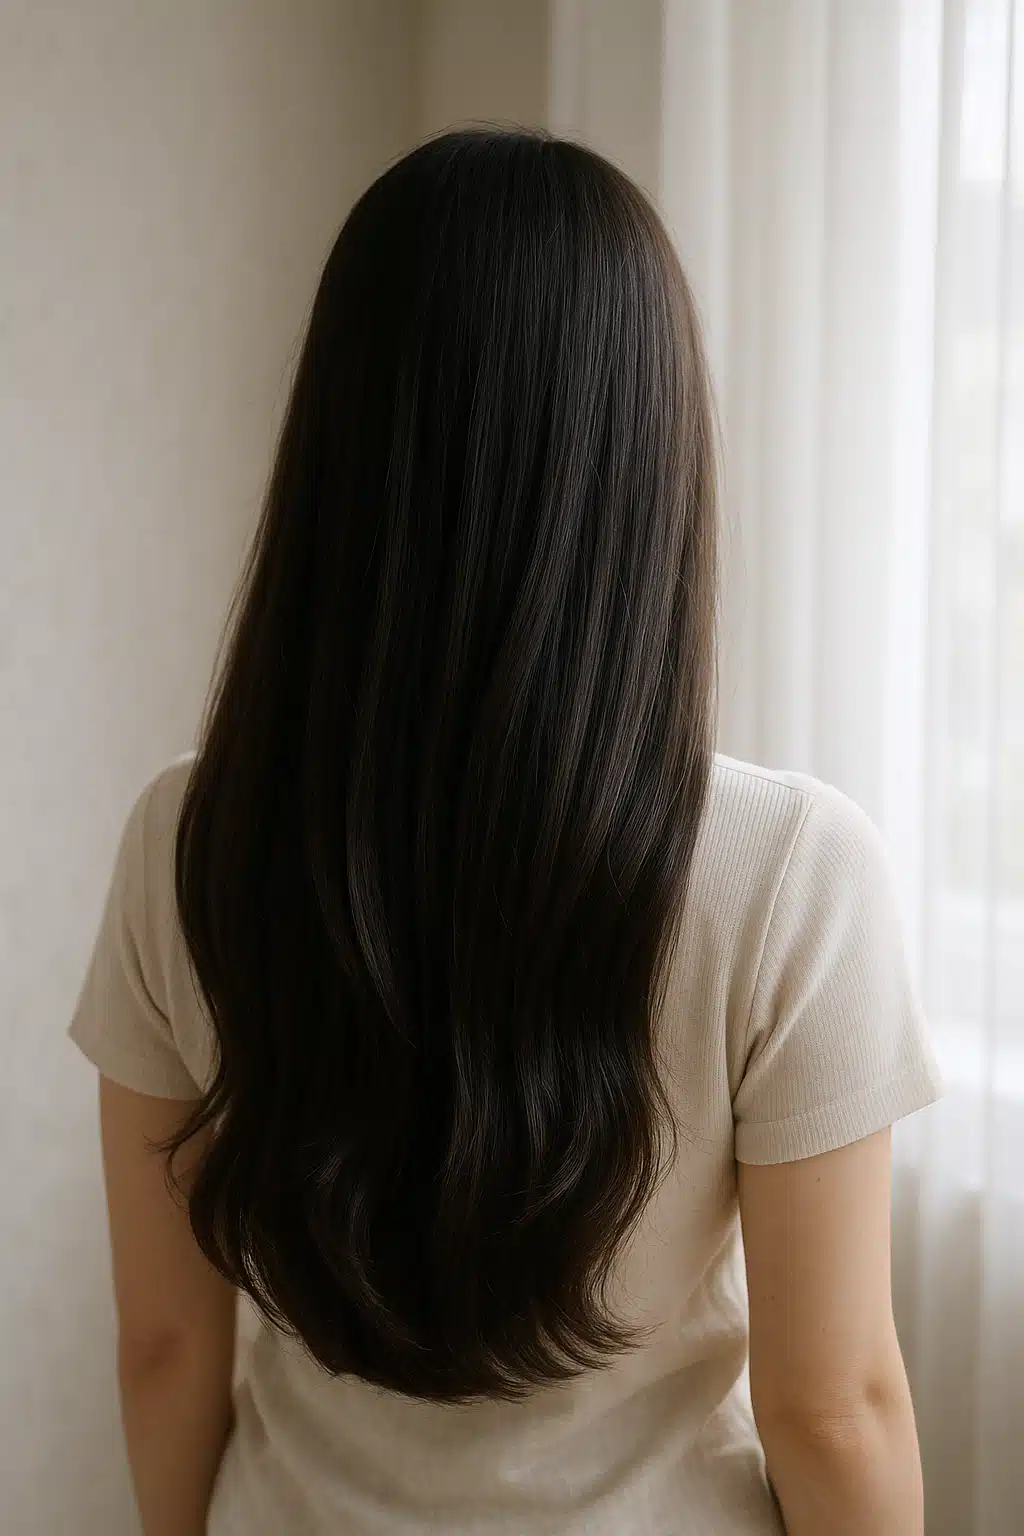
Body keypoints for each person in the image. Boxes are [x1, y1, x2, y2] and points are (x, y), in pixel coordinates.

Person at [69, 127, 943, 1536]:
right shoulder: (791, 873)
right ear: (648, 460)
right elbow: (831, 1407)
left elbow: (168, 1348)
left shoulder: (187, 839)